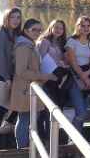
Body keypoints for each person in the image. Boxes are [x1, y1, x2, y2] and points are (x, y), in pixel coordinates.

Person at [10, 18, 57, 149]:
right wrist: (44, 76)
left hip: (29, 88)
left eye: (40, 30)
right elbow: (21, 71)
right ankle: (23, 149)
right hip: (24, 89)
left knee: (27, 119)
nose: (37, 32)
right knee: (24, 119)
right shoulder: (24, 46)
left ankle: (25, 147)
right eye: (34, 30)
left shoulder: (30, 43)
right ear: (26, 30)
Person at [0, 8, 21, 149]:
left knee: (20, 104)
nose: (16, 20)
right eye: (12, 17)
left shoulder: (15, 33)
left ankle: (8, 124)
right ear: (6, 18)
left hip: (10, 77)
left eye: (18, 17)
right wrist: (7, 79)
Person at [36, 19, 69, 140]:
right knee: (48, 108)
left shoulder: (60, 43)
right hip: (47, 79)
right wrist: (58, 64)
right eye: (56, 27)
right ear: (50, 27)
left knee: (54, 107)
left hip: (57, 80)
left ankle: (50, 136)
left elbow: (63, 60)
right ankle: (44, 137)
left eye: (61, 28)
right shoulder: (44, 42)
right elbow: (40, 59)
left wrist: (63, 64)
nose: (58, 30)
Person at [65, 16, 90, 133]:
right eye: (83, 26)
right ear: (77, 27)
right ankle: (73, 138)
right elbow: (73, 63)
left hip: (89, 75)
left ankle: (78, 137)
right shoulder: (71, 42)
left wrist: (88, 74)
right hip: (75, 78)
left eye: (88, 26)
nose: (86, 28)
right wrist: (85, 78)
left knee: (84, 111)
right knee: (81, 112)